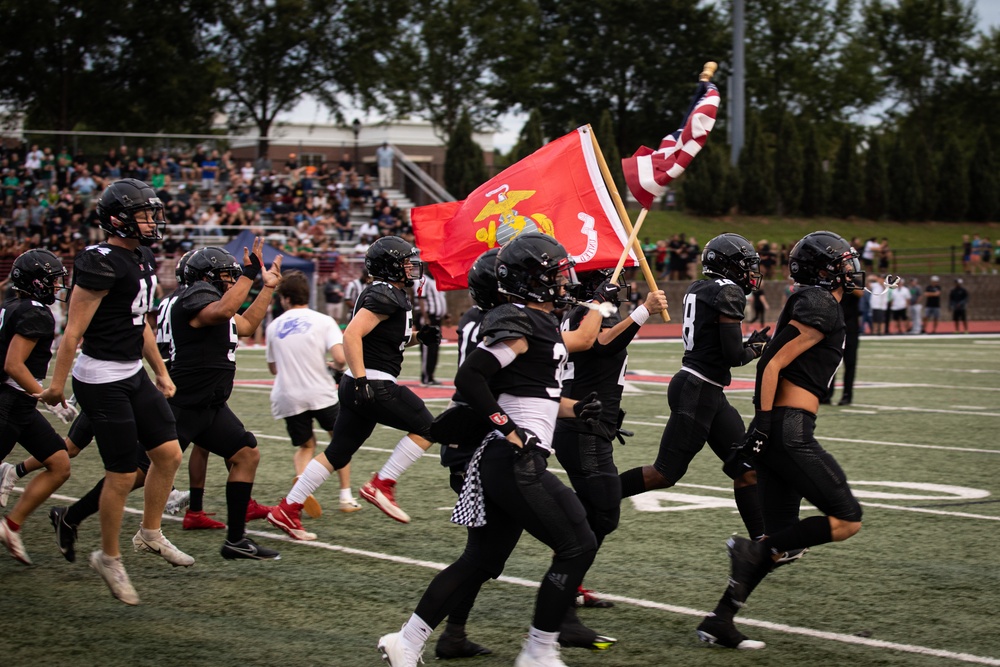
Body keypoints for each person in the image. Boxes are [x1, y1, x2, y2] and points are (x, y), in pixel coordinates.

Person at [376, 232, 605, 667]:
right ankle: (538, 650)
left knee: (481, 559)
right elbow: (471, 379)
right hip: (511, 457)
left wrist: (579, 411)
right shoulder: (518, 320)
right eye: (554, 275)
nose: (563, 283)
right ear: (530, 280)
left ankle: (407, 640)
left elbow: (529, 393)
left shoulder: (536, 321)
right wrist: (511, 431)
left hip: (507, 457)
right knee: (578, 544)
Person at [696, 230, 865, 650]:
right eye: (843, 263)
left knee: (778, 543)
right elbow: (770, 363)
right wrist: (765, 424)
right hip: (788, 431)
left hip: (781, 431)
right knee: (847, 519)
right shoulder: (821, 304)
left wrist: (763, 428)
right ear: (825, 272)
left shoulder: (820, 303)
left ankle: (720, 619)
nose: (851, 268)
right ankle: (748, 553)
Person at [39, 178, 192, 606]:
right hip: (101, 377)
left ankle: (150, 532)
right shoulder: (98, 261)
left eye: (152, 213)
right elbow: (73, 332)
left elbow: (138, 320)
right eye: (145, 213)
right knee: (123, 473)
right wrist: (56, 384)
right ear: (117, 218)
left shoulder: (140, 255)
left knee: (168, 454)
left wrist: (159, 370)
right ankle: (108, 556)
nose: (153, 221)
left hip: (131, 371)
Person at [267, 236, 439, 538]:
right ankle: (382, 484)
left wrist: (419, 337)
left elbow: (384, 340)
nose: (411, 267)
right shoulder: (386, 294)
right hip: (371, 381)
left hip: (359, 381)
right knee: (430, 428)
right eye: (405, 262)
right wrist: (362, 379)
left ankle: (287, 509)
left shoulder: (387, 293)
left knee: (338, 452)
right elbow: (352, 336)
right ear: (388, 267)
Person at [618, 234, 769, 544]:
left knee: (746, 467)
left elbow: (719, 348)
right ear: (728, 266)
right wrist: (755, 350)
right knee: (664, 473)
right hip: (698, 390)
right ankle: (598, 495)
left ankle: (762, 543)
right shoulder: (727, 292)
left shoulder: (700, 287)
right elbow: (732, 356)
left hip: (705, 389)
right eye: (745, 265)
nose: (750, 271)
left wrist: (747, 347)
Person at [552, 267, 668, 647]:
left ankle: (570, 587)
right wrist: (643, 311)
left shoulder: (581, 310)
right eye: (613, 278)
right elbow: (601, 345)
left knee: (596, 510)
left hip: (589, 424)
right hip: (583, 425)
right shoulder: (589, 311)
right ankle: (560, 607)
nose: (622, 284)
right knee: (601, 511)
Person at [167, 243, 283, 560]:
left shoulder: (216, 304)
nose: (231, 283)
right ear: (206, 277)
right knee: (135, 472)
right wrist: (248, 276)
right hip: (184, 402)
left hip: (210, 404)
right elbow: (223, 311)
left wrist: (267, 288)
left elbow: (245, 325)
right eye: (226, 277)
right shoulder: (195, 298)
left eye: (233, 277)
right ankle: (74, 515)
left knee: (246, 453)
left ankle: (235, 541)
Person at [266, 270, 359, 517]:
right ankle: (346, 496)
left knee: (306, 445)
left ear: (285, 298)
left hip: (287, 394)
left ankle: (301, 482)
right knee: (340, 442)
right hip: (320, 391)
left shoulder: (273, 326)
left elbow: (273, 367)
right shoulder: (323, 320)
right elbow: (340, 358)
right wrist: (335, 367)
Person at [0, 250, 72, 565]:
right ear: (38, 281)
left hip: (20, 405)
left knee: (59, 463)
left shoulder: (11, 305)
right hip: (8, 403)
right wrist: (45, 394)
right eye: (55, 279)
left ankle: (10, 526)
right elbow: (14, 365)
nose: (58, 285)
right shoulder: (36, 312)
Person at [418, 270, 447, 386]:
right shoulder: (424, 280)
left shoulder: (437, 281)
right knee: (427, 348)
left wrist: (446, 315)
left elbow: (441, 300)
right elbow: (421, 298)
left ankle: (431, 376)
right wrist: (425, 317)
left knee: (434, 349)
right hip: (429, 318)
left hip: (437, 318)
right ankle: (425, 377)